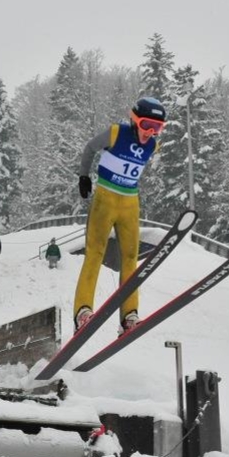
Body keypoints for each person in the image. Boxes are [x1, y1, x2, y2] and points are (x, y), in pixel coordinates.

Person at [72, 97, 166, 334]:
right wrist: (83, 176)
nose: (150, 132)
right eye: (146, 125)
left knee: (131, 258)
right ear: (134, 120)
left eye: (157, 128)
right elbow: (90, 148)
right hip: (105, 200)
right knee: (95, 253)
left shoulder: (152, 145)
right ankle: (83, 311)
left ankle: (129, 316)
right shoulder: (116, 133)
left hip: (130, 204)